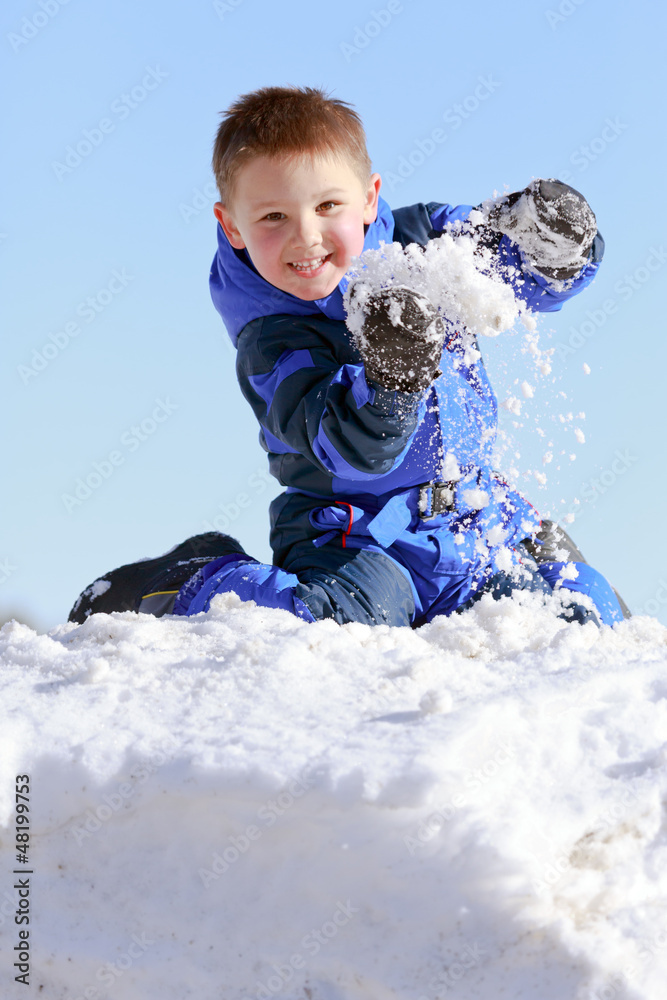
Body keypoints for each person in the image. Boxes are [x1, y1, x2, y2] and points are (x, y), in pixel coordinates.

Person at [69, 86, 628, 629]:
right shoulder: (274, 339)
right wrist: (392, 379)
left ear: (368, 198)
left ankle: (555, 565)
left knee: (586, 618)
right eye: (273, 218)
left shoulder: (424, 244)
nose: (305, 236)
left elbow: (510, 273)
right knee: (328, 627)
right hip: (361, 538)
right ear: (232, 226)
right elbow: (346, 447)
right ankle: (194, 579)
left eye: (327, 205)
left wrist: (553, 245)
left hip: (477, 520)